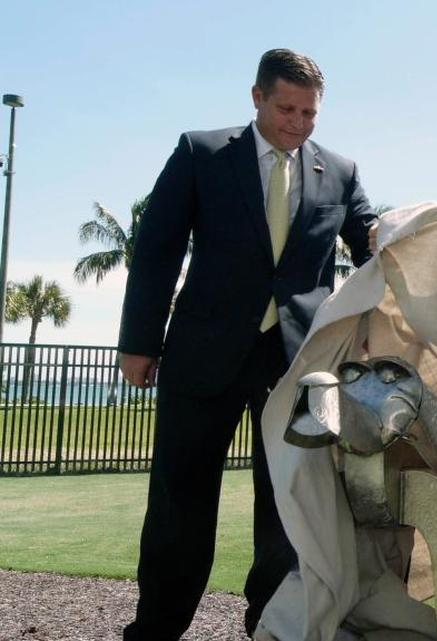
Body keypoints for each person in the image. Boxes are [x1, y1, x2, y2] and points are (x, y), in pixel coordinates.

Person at [117, 48, 377, 640]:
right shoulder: (201, 153)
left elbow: (371, 249)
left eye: (310, 112)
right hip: (202, 356)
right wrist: (139, 342)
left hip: (298, 366)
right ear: (257, 97)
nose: (298, 122)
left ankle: (271, 625)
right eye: (287, 107)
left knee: (288, 506)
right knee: (180, 502)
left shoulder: (341, 170)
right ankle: (156, 627)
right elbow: (157, 250)